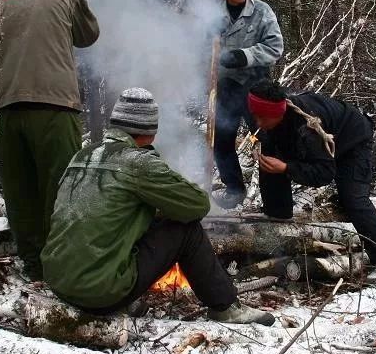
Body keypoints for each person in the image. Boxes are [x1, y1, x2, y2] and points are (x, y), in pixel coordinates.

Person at [42, 88, 275, 325]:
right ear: (151, 131)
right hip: (100, 294)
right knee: (186, 229)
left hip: (59, 284)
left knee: (129, 217)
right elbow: (196, 205)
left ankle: (120, 292)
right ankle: (225, 306)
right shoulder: (138, 162)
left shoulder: (82, 155)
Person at [0, 0, 100, 281]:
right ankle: (63, 265)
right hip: (55, 105)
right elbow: (88, 36)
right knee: (61, 187)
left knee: (18, 189)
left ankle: (33, 265)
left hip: (6, 106)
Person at [245, 80, 376, 285]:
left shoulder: (307, 129)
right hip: (316, 142)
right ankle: (277, 213)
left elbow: (325, 174)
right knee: (270, 157)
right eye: (254, 116)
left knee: (352, 199)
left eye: (261, 118)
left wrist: (286, 168)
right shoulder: (269, 116)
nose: (257, 122)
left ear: (278, 113)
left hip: (352, 141)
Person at [211, 0, 284, 209]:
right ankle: (233, 190)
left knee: (268, 140)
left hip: (257, 87)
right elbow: (200, 47)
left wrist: (243, 56)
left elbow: (275, 47)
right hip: (224, 86)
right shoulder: (212, 14)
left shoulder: (262, 11)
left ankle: (275, 199)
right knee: (221, 139)